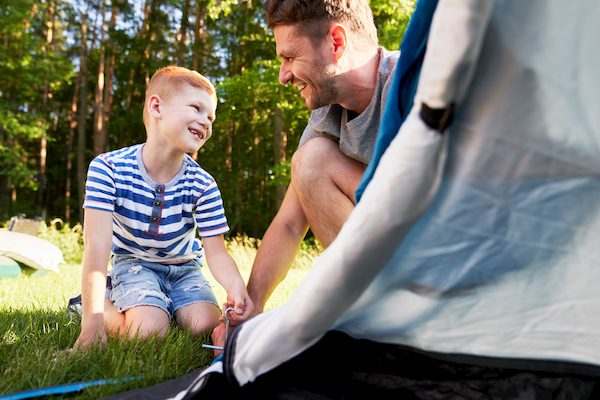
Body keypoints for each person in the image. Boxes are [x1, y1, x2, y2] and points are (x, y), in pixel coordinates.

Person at [211, 0, 399, 348]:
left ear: (337, 43)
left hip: (447, 255)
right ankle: (376, 314)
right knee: (309, 162)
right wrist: (250, 308)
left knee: (312, 161)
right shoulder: (326, 118)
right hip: (394, 260)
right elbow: (289, 224)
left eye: (289, 57)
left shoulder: (413, 84)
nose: (283, 75)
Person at [73, 66, 253, 349]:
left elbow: (216, 252)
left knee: (204, 325)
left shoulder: (203, 184)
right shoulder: (108, 168)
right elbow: (97, 247)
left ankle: (161, 303)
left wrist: (235, 285)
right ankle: (89, 303)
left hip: (184, 268)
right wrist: (92, 326)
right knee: (148, 332)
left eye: (211, 117)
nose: (205, 121)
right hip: (134, 264)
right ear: (156, 106)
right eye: (196, 108)